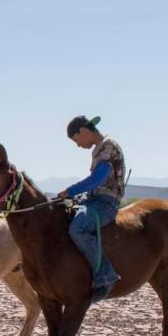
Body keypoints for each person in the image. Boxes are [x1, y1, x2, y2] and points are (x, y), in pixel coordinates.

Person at [57, 115, 126, 304]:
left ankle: (106, 276)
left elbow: (98, 179)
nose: (78, 145)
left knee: (77, 228)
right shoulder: (97, 149)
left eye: (76, 140)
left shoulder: (107, 145)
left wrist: (70, 191)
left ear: (83, 131)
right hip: (93, 199)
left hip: (106, 203)